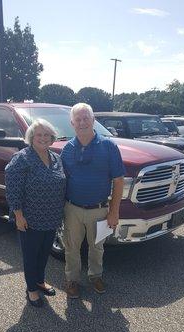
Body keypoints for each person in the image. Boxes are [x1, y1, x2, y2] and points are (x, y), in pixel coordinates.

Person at [61, 103, 125, 298]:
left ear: (93, 120)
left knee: (97, 247)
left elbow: (118, 181)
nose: (82, 122)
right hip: (72, 208)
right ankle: (72, 280)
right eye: (78, 119)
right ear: (72, 123)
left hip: (99, 209)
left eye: (85, 118)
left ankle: (95, 276)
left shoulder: (109, 146)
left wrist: (114, 212)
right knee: (71, 248)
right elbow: (60, 181)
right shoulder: (67, 149)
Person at [5, 119, 66, 308]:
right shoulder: (22, 158)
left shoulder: (55, 157)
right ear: (31, 137)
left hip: (51, 218)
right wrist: (19, 215)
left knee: (44, 253)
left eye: (46, 135)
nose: (43, 138)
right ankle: (31, 289)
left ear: (52, 138)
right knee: (31, 255)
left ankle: (40, 281)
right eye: (39, 134)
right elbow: (12, 187)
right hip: (29, 219)